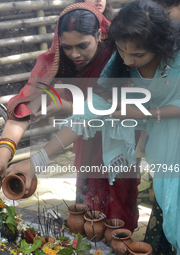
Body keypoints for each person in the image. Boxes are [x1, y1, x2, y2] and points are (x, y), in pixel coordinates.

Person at [16, 0, 180, 251]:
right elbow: (85, 115)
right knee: (171, 208)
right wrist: (37, 160)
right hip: (162, 144)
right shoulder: (119, 67)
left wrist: (144, 112)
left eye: (138, 55)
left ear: (160, 46)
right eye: (123, 51)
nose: (128, 60)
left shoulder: (176, 57)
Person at [0, 2, 140, 231]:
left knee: (117, 216)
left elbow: (108, 109)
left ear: (100, 35)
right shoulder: (59, 63)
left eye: (83, 46)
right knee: (87, 208)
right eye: (67, 47)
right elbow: (24, 108)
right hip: (83, 140)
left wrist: (65, 107)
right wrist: (1, 158)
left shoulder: (119, 53)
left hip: (119, 143)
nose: (75, 54)